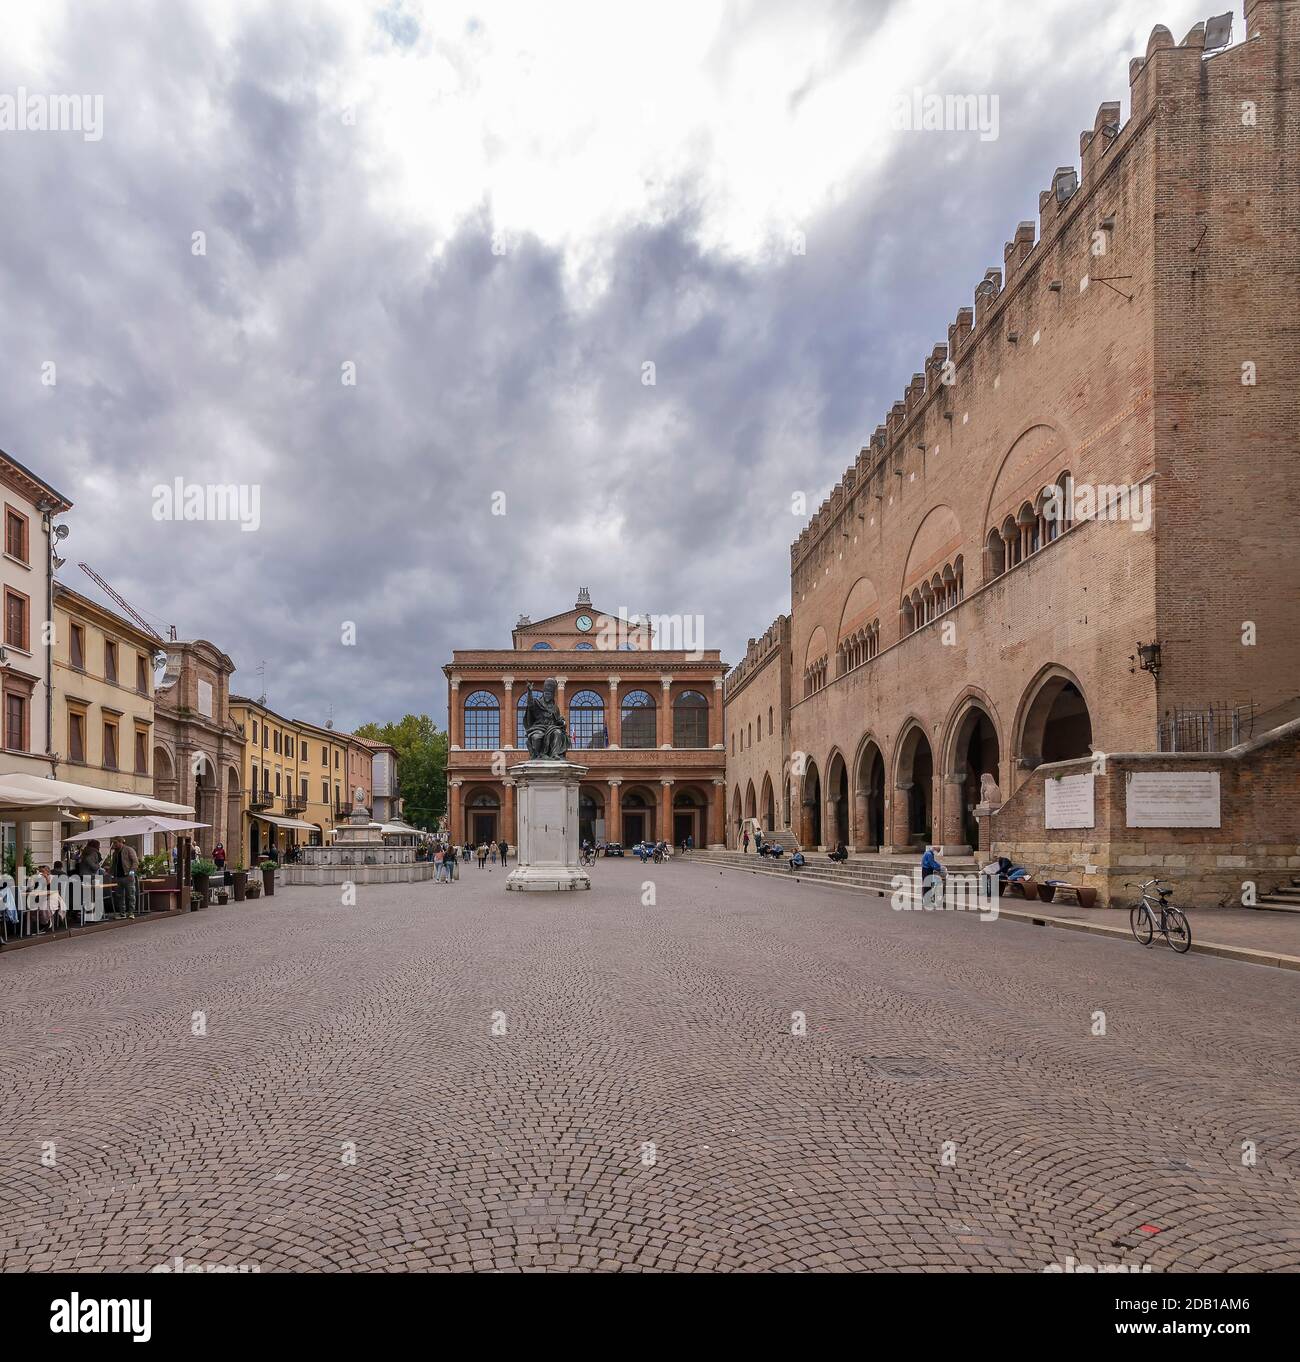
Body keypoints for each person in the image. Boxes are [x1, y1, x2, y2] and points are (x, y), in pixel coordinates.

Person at [108, 838, 139, 919]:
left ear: (121, 842)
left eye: (115, 843)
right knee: (119, 896)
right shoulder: (115, 853)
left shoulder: (129, 850)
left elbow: (135, 861)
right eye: (113, 843)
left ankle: (131, 912)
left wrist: (131, 872)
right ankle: (122, 913)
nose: (114, 845)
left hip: (127, 876)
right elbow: (114, 864)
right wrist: (110, 873)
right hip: (118, 877)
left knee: (130, 895)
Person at [33, 865, 67, 932]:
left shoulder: (53, 878)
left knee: (44, 907)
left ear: (48, 871)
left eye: (42, 871)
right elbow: (35, 889)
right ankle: (36, 925)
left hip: (53, 897)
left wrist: (47, 879)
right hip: (42, 897)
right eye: (40, 871)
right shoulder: (39, 879)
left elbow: (51, 890)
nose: (41, 873)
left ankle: (46, 923)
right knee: (32, 907)